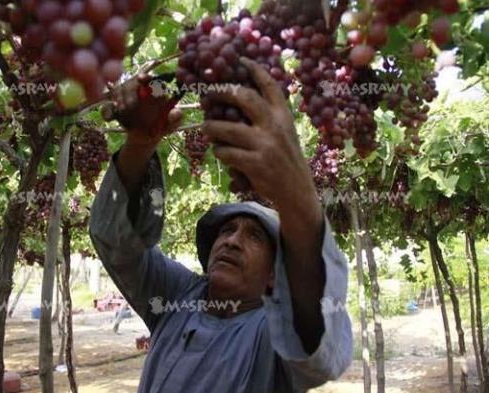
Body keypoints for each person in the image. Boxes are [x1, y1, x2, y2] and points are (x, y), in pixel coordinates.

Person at [89, 58, 353, 393]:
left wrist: (293, 189)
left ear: (275, 275)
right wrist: (139, 144)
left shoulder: (273, 334)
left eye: (254, 236)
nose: (232, 241)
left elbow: (316, 346)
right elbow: (114, 241)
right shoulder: (178, 296)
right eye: (227, 230)